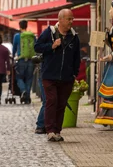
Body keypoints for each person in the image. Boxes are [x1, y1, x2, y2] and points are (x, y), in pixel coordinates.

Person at [34, 9, 81, 142]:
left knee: (61, 104)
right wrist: (52, 46)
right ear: (60, 20)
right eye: (68, 19)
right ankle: (49, 131)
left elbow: (77, 57)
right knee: (51, 101)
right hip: (49, 75)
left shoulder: (74, 36)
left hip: (67, 77)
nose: (71, 22)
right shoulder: (49, 32)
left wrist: (74, 74)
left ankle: (57, 130)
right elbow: (37, 47)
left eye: (72, 19)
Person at [12, 20, 36, 104]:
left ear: (20, 26)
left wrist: (13, 57)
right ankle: (27, 97)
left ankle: (23, 91)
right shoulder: (32, 36)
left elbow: (14, 48)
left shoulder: (17, 36)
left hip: (21, 59)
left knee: (19, 77)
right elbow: (35, 46)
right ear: (26, 26)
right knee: (29, 79)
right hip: (30, 60)